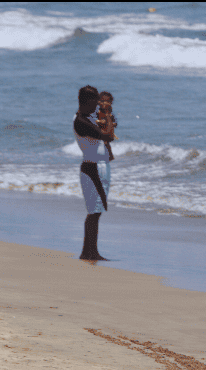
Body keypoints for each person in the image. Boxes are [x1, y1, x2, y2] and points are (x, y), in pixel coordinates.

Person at [74, 85, 114, 261]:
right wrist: (107, 120)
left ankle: (91, 250)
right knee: (94, 212)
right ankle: (88, 251)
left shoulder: (89, 118)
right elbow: (106, 136)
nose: (97, 105)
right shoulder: (81, 121)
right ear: (86, 102)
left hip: (99, 166)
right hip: (91, 168)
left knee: (97, 211)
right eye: (95, 101)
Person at [97, 91, 117, 161]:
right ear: (98, 102)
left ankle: (110, 155)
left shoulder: (110, 113)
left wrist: (113, 124)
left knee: (107, 143)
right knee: (105, 142)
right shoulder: (97, 112)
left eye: (109, 102)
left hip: (107, 130)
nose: (106, 103)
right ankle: (110, 155)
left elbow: (115, 122)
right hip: (100, 131)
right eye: (103, 101)